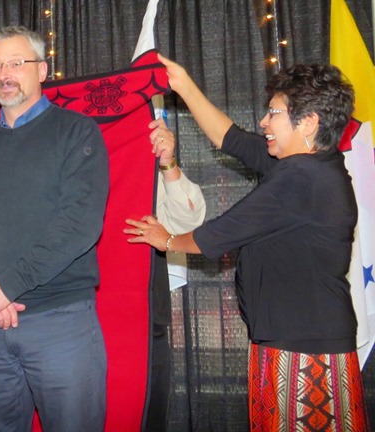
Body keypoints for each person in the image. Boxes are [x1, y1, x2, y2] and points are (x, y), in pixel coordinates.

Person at [126, 56, 369, 431]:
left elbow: (219, 233)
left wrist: (167, 238)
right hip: (287, 338)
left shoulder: (302, 178)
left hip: (305, 347)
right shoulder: (307, 163)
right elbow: (230, 138)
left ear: (308, 122)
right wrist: (183, 84)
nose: (264, 122)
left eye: (274, 113)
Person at [0, 26, 109, 431]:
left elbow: (79, 224)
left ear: (43, 70)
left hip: (60, 322)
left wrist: (7, 287)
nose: (4, 74)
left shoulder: (77, 132)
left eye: (16, 63)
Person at [145, 117, 206, 431]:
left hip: (146, 318)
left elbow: (187, 223)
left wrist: (167, 163)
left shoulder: (143, 167)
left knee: (146, 413)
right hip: (76, 316)